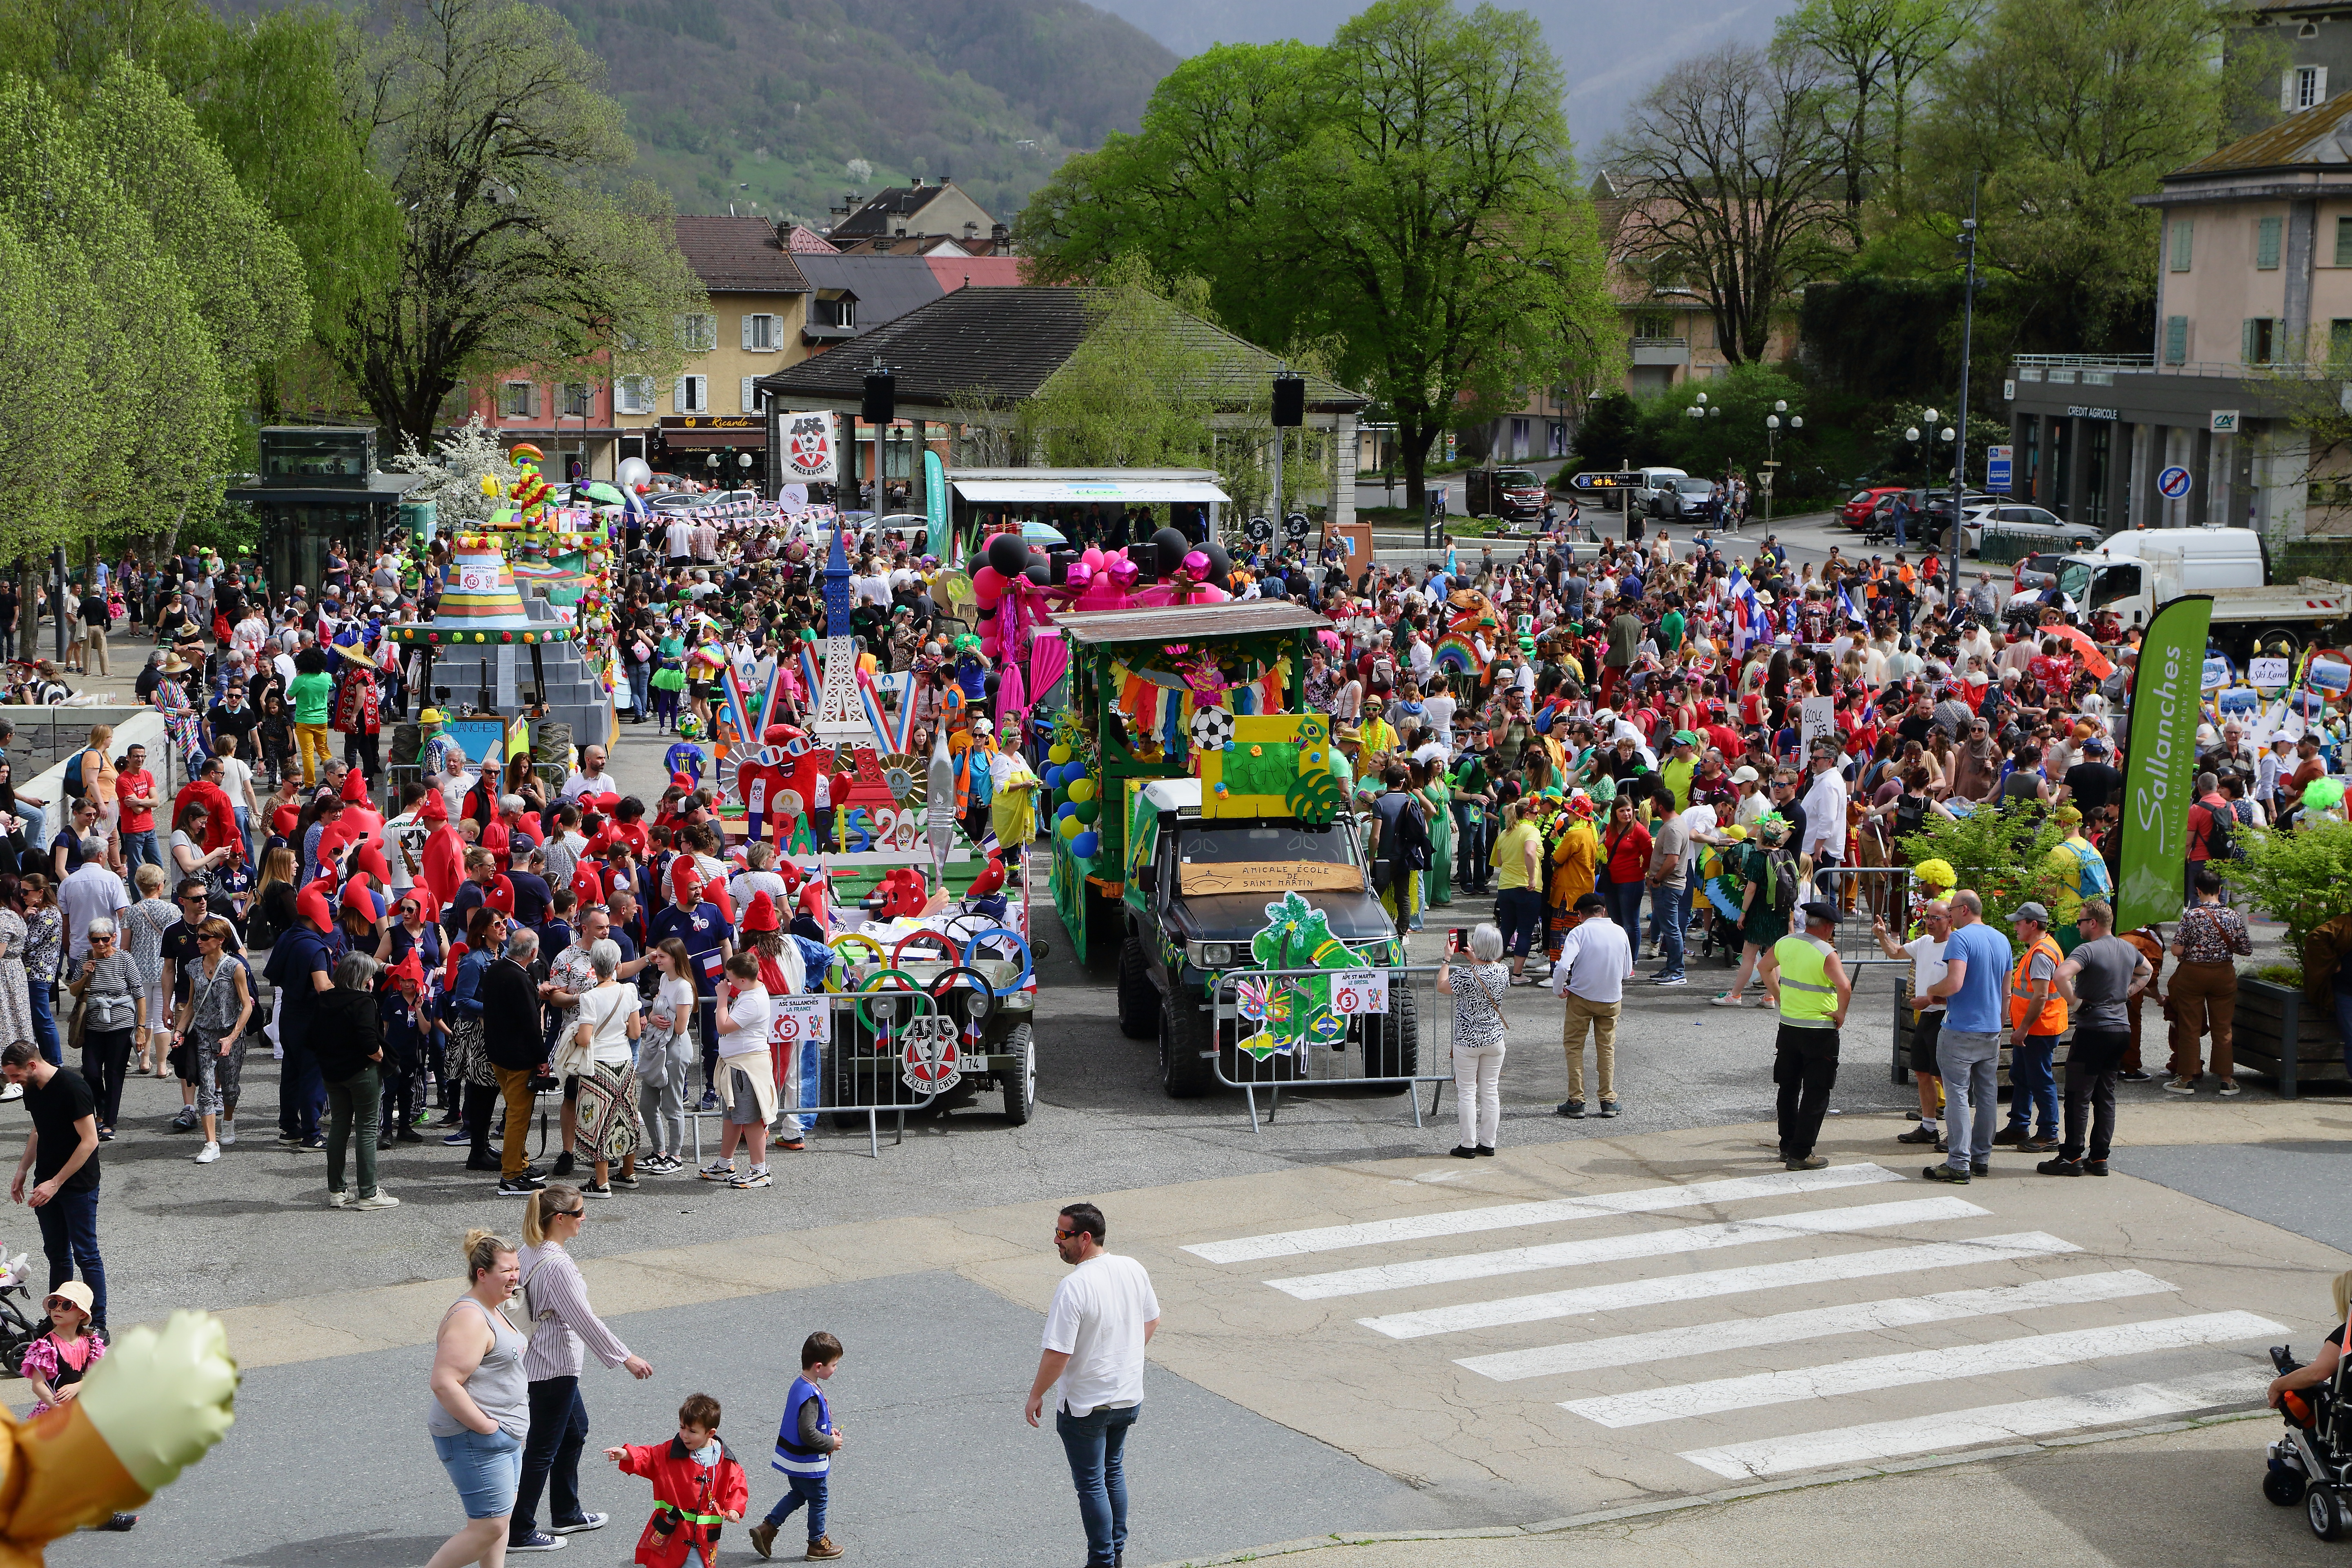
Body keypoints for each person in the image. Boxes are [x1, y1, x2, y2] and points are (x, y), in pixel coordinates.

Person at [509, 1185, 655, 1554]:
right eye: (579, 1213)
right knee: (543, 1448)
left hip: (542, 1360)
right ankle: (519, 1530)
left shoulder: (530, 1250)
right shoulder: (558, 1266)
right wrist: (627, 1358)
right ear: (560, 1219)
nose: (584, 1219)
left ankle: (567, 1512)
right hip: (552, 1364)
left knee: (574, 1432)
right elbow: (584, 1320)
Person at [1025, 1201, 1160, 1568]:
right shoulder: (1132, 1268)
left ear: (1085, 1238)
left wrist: (1036, 1394)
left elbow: (1058, 1353)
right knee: (1112, 1471)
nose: (1056, 1241)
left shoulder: (1075, 1285)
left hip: (1086, 1405)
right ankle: (1116, 1554)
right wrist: (1122, 1356)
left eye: (1062, 1235)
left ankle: (1101, 1561)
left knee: (1091, 1484)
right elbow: (1152, 1319)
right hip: (1128, 1398)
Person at [425, 1229, 530, 1568]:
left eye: (516, 1268)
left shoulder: (495, 1307)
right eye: (506, 1270)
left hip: (504, 1434)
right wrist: (487, 1427)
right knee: (489, 1525)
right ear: (482, 1274)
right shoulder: (471, 1318)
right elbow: (444, 1382)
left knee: (501, 1521)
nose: (514, 1277)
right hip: (476, 1438)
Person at [2041, 899, 2152, 1177]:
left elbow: (2061, 975)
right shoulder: (2128, 949)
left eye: (2080, 921)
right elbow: (2147, 971)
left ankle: (2071, 1156)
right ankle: (2100, 1158)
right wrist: (2128, 992)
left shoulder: (2087, 950)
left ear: (2092, 923)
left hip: (2094, 1030)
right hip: (2120, 1031)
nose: (2077, 926)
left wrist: (2076, 1004)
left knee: (2079, 1095)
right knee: (2106, 1095)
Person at [1, 1040, 104, 1336]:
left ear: (32, 1066)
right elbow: (38, 1130)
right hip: (46, 1182)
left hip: (77, 1185)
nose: (13, 1082)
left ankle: (98, 1323)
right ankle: (57, 1320)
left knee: (86, 1255)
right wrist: (23, 1170)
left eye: (15, 1076)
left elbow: (90, 1141)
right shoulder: (32, 1088)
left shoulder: (73, 1087)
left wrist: (56, 1183)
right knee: (57, 1255)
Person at [1922, 889, 2010, 1183]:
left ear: (1962, 910)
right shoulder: (2002, 939)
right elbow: (2006, 990)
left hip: (1961, 1028)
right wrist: (2000, 1023)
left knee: (1958, 1094)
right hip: (1991, 1029)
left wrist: (1933, 990)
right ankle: (1981, 1158)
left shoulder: (1960, 938)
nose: (1949, 917)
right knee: (1987, 1095)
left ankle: (1959, 1162)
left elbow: (1955, 982)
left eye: (1952, 911)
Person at [602, 1391, 748, 1568]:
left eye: (692, 1431)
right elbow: (649, 1457)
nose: (684, 1435)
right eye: (682, 1428)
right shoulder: (670, 1452)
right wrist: (626, 1454)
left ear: (710, 1433)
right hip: (671, 1531)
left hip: (703, 1536)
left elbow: (737, 1485)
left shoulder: (725, 1460)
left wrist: (734, 1508)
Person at [1757, 901, 1852, 1171]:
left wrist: (1779, 996)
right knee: (1816, 1092)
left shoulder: (1787, 942)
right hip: (1819, 1031)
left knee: (1787, 1088)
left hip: (1789, 1027)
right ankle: (1801, 1153)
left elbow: (1764, 967)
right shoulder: (1826, 952)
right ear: (1827, 927)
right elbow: (1844, 987)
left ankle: (1787, 1145)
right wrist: (1841, 1014)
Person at [749, 1332, 846, 1561]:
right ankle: (817, 1543)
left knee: (799, 1494)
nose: (836, 1369)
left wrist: (828, 1429)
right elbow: (807, 1432)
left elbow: (807, 1424)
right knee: (819, 1499)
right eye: (834, 1365)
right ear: (819, 1366)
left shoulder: (801, 1385)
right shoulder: (811, 1395)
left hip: (793, 1461)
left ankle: (767, 1529)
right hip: (808, 1463)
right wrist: (830, 1442)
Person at [313, 950, 398, 1210]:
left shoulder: (325, 999)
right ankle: (369, 1193)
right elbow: (369, 1042)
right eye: (370, 975)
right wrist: (381, 1057)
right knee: (367, 1129)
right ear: (362, 977)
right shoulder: (364, 1001)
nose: (372, 980)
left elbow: (311, 1038)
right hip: (361, 1073)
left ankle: (337, 1191)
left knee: (339, 1127)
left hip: (332, 1074)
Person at [559, 940, 643, 1199]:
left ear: (593, 967)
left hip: (598, 1065)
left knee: (598, 1120)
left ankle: (601, 1181)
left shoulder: (589, 997)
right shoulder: (629, 991)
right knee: (626, 1115)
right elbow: (635, 1032)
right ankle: (628, 1173)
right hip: (624, 1062)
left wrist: (573, 1038)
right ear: (618, 965)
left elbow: (585, 1038)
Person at [172, 915, 253, 1164]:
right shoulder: (194, 967)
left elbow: (247, 1006)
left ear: (220, 940)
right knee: (206, 1090)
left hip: (229, 1035)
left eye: (205, 937)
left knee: (229, 1089)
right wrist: (179, 1030)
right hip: (204, 1035)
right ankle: (211, 1143)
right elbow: (191, 1005)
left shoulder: (234, 967)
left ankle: (228, 1122)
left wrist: (232, 1037)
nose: (199, 941)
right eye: (198, 936)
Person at [2165, 867, 2252, 1096]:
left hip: (2193, 975)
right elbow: (2246, 949)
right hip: (2223, 974)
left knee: (2190, 1027)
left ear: (2197, 890)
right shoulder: (2233, 916)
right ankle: (2226, 1080)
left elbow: (2177, 949)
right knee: (2223, 1027)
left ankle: (2187, 1079)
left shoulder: (2192, 915)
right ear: (2220, 890)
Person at [1872, 899, 1950, 1149]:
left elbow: (1961, 986)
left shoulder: (1957, 946)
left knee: (1945, 1076)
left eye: (1936, 918)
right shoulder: (1925, 942)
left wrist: (1931, 998)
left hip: (1946, 1017)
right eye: (1928, 917)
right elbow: (1895, 952)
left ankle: (1957, 1132)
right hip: (1926, 1016)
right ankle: (1929, 1127)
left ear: (1950, 920)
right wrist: (1883, 936)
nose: (1929, 922)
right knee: (1922, 1072)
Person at [1548, 890, 1632, 1119]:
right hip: (1611, 998)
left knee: (1575, 1047)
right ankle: (1608, 1099)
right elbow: (1627, 971)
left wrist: (1560, 989)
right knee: (1606, 1048)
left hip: (1581, 998)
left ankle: (1577, 1100)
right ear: (1603, 911)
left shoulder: (1579, 933)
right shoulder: (1620, 932)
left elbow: (1563, 966)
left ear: (1580, 915)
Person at [1991, 900, 2066, 1152]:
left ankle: (2048, 1134)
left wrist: (2022, 1029)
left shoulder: (2041, 953)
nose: (2015, 928)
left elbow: (2041, 996)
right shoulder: (2040, 948)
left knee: (2039, 1079)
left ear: (2033, 925)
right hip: (2036, 1027)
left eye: (2019, 923)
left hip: (2039, 1029)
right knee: (2022, 1076)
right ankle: (2019, 1126)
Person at [1437, 923, 1510, 1157]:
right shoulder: (1504, 972)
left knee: (1467, 1092)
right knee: (1491, 1091)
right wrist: (1475, 959)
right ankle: (1488, 1143)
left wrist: (1447, 960)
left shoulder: (1464, 976)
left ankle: (1467, 1144)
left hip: (1468, 1040)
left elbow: (1442, 986)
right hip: (1495, 1038)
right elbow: (1489, 970)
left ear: (1476, 946)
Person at [704, 952, 775, 1188]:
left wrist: (722, 998)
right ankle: (725, 1165)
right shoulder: (749, 992)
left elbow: (723, 1025)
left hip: (747, 1067)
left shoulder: (753, 1000)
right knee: (732, 1118)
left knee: (751, 1119)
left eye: (731, 979)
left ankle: (760, 1171)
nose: (728, 983)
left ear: (743, 980)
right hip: (736, 1065)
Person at [67, 916, 141, 1141]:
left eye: (105, 939)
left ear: (114, 938)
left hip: (122, 1025)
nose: (100, 944)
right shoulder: (84, 959)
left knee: (114, 1073)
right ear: (89, 940)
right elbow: (73, 990)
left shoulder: (126, 960)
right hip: (93, 1026)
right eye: (95, 940)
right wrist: (87, 974)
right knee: (90, 1072)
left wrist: (142, 1029)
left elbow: (140, 996)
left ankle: (109, 1121)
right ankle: (100, 1112)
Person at [639, 940, 697, 1176]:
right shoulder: (664, 979)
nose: (657, 960)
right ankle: (659, 1152)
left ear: (675, 958)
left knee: (672, 1103)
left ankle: (675, 1155)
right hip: (659, 1044)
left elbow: (682, 1027)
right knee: (647, 1103)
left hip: (675, 1048)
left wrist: (662, 1016)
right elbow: (655, 1011)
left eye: (662, 956)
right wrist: (653, 1018)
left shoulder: (684, 987)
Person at [1489, 801, 1546, 984]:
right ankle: (1518, 975)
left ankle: (1492, 971)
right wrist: (1531, 878)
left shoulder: (1505, 833)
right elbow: (1530, 853)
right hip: (1526, 888)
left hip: (1505, 887)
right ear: (1528, 814)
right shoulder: (1531, 831)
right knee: (1525, 931)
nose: (1538, 816)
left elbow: (1499, 860)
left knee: (1506, 929)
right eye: (1536, 813)